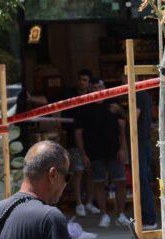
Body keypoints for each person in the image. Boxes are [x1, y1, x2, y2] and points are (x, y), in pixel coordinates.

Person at [76, 78, 129, 228]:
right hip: (94, 153)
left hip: (115, 151)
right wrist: (83, 154)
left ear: (105, 88)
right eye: (94, 88)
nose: (97, 90)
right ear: (90, 90)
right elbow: (78, 133)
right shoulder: (84, 107)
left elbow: (122, 128)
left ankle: (121, 214)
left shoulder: (113, 104)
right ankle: (104, 214)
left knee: (121, 182)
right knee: (99, 184)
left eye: (100, 87)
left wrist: (123, 148)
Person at [62, 69, 96, 217]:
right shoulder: (70, 94)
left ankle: (89, 202)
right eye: (80, 79)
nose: (82, 82)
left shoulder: (93, 96)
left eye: (85, 80)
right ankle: (79, 203)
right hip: (74, 138)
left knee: (91, 172)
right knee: (78, 171)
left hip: (91, 140)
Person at [135, 87, 158, 228]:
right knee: (143, 180)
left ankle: (149, 219)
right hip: (144, 141)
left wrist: (119, 111)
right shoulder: (146, 96)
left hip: (141, 142)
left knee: (143, 181)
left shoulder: (139, 95)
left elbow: (133, 118)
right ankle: (147, 217)